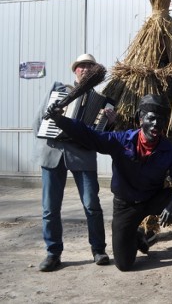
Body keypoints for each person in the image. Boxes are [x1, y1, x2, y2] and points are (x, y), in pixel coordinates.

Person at [46, 94, 172, 271]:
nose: (156, 124)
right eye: (151, 118)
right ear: (141, 119)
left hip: (152, 199)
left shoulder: (169, 150)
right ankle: (136, 237)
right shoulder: (121, 141)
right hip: (125, 205)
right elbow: (90, 136)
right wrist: (60, 120)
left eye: (161, 119)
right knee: (124, 265)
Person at [33, 53, 113, 272]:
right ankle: (53, 253)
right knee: (50, 209)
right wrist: (46, 136)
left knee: (92, 205)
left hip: (82, 156)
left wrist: (108, 121)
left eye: (89, 65)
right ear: (75, 70)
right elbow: (39, 120)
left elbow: (100, 137)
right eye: (81, 66)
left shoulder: (101, 102)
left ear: (95, 71)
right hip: (53, 153)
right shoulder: (58, 91)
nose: (85, 69)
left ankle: (98, 249)